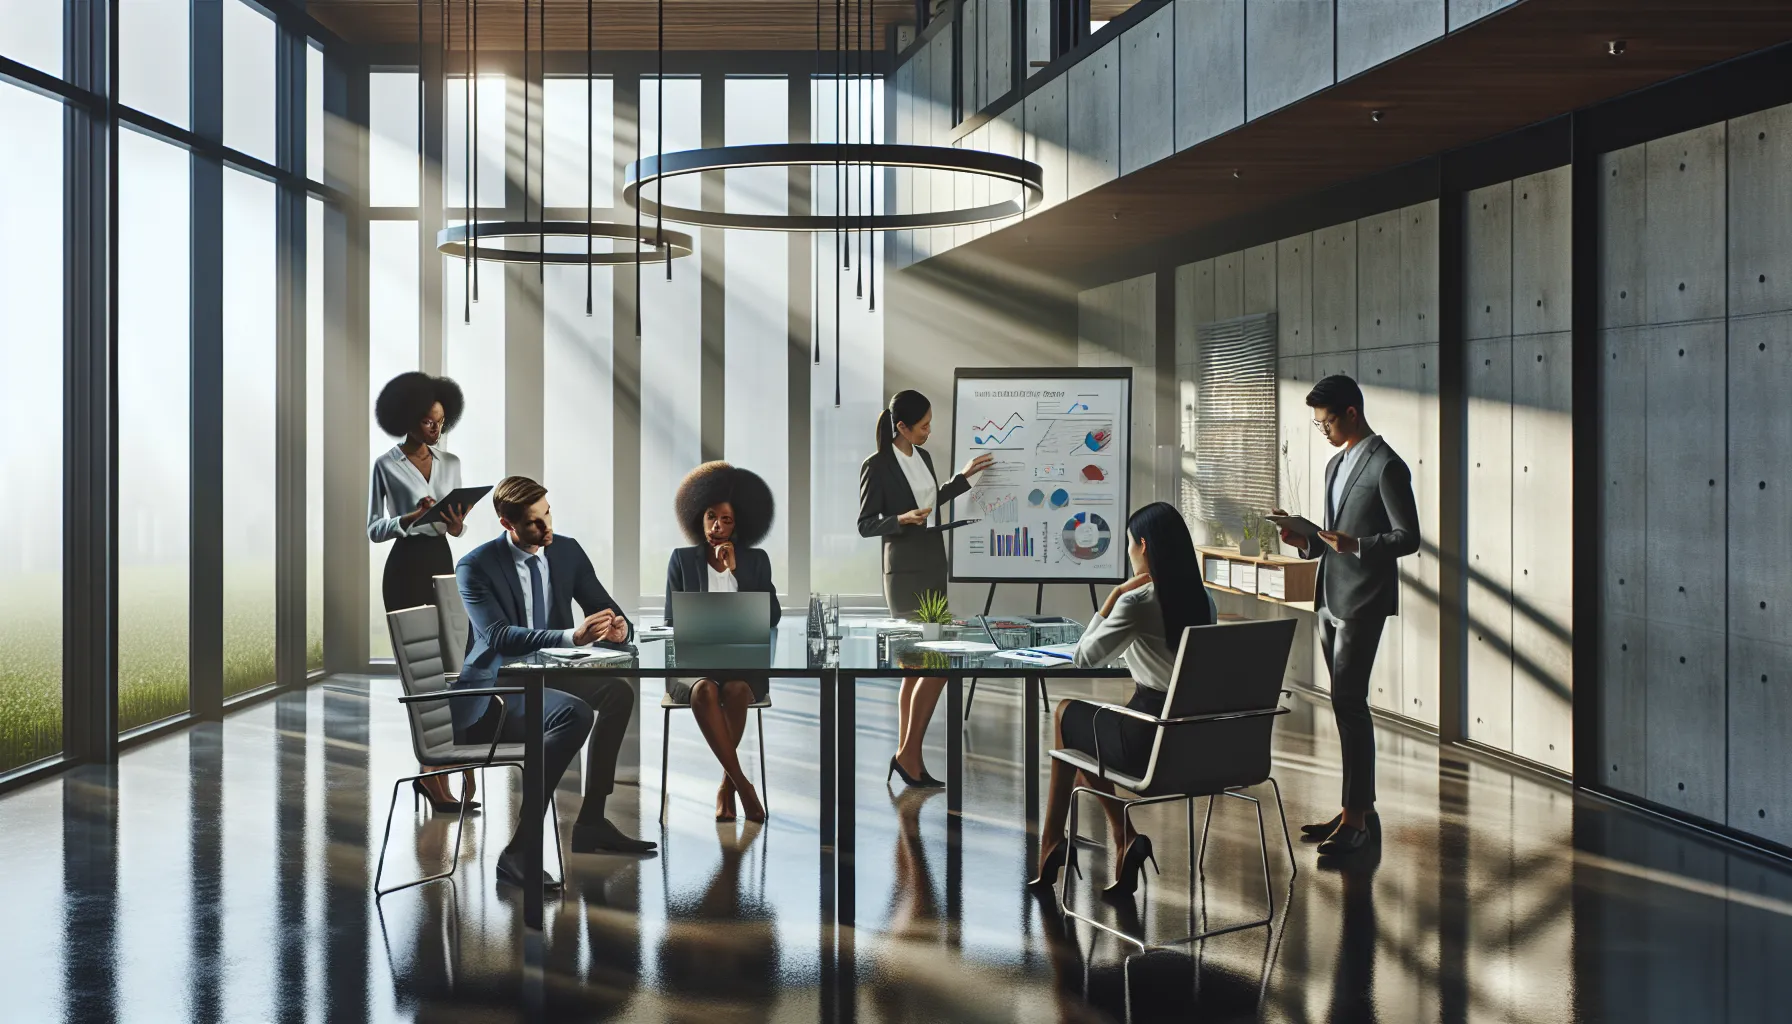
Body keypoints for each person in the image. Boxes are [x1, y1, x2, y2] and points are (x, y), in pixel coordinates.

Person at [453, 475, 657, 890]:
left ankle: (592, 822)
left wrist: (619, 628)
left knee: (618, 693)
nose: (547, 529)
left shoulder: (566, 551)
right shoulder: (476, 567)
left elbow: (606, 608)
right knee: (574, 713)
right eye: (534, 523)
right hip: (498, 688)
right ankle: (520, 851)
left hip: (552, 676)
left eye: (548, 515)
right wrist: (571, 636)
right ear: (507, 522)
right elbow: (498, 637)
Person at [1030, 502, 1216, 900]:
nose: (1129, 552)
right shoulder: (1205, 600)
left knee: (1065, 716)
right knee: (1079, 756)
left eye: (1130, 545)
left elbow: (1085, 657)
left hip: (1152, 742)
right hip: (1198, 742)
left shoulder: (1137, 602)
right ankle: (1120, 838)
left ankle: (1056, 845)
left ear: (1143, 547)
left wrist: (1111, 599)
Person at [1274, 374, 1419, 858]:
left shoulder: (1388, 467)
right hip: (1328, 598)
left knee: (1350, 705)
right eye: (1319, 425)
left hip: (1362, 601)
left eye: (1327, 422)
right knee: (1343, 707)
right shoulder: (1336, 464)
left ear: (1351, 413)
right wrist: (1303, 540)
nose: (1324, 431)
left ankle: (1355, 819)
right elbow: (1329, 537)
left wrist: (1357, 546)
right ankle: (1358, 809)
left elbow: (1408, 538)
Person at [857, 390, 994, 787]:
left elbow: (933, 499)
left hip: (934, 565)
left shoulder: (925, 458)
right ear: (901, 427)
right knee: (934, 663)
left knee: (917, 667)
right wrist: (900, 519)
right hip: (903, 572)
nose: (929, 431)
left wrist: (963, 478)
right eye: (923, 426)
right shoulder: (877, 465)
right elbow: (866, 524)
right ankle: (908, 754)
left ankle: (908, 756)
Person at [369, 370, 476, 812]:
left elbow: (456, 525)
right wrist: (408, 520)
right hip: (405, 571)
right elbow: (374, 529)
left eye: (443, 421)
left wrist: (456, 525)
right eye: (430, 421)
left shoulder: (449, 464)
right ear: (408, 418)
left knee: (457, 667)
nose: (437, 429)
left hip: (441, 566)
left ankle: (459, 763)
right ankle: (434, 776)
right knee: (422, 675)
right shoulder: (385, 465)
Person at [663, 462, 780, 823]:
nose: (716, 526)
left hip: (741, 663)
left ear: (738, 524)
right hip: (692, 664)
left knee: (735, 690)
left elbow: (772, 616)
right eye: (711, 517)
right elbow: (672, 618)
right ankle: (743, 786)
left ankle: (726, 787)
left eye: (726, 520)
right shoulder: (681, 560)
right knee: (704, 692)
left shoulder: (756, 561)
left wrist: (735, 573)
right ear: (698, 518)